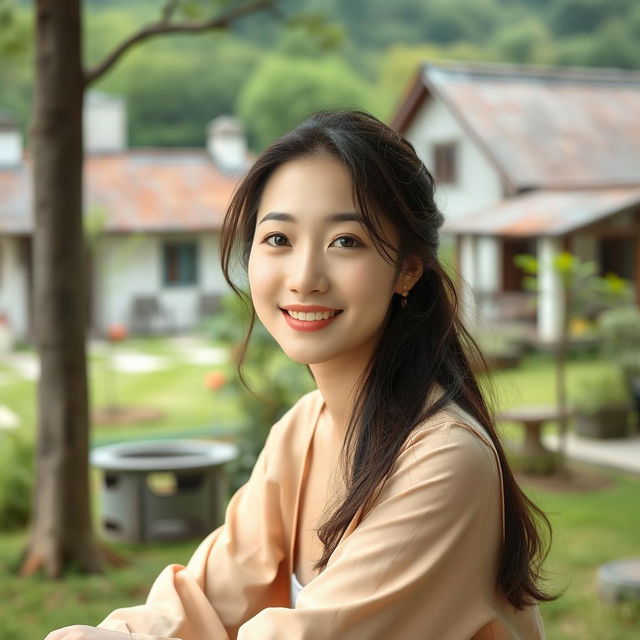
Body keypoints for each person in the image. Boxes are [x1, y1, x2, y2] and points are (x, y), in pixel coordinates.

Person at [45, 110, 554, 640]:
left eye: (346, 241)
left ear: (408, 267)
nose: (304, 278)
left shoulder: (444, 460)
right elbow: (206, 598)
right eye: (279, 239)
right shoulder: (303, 427)